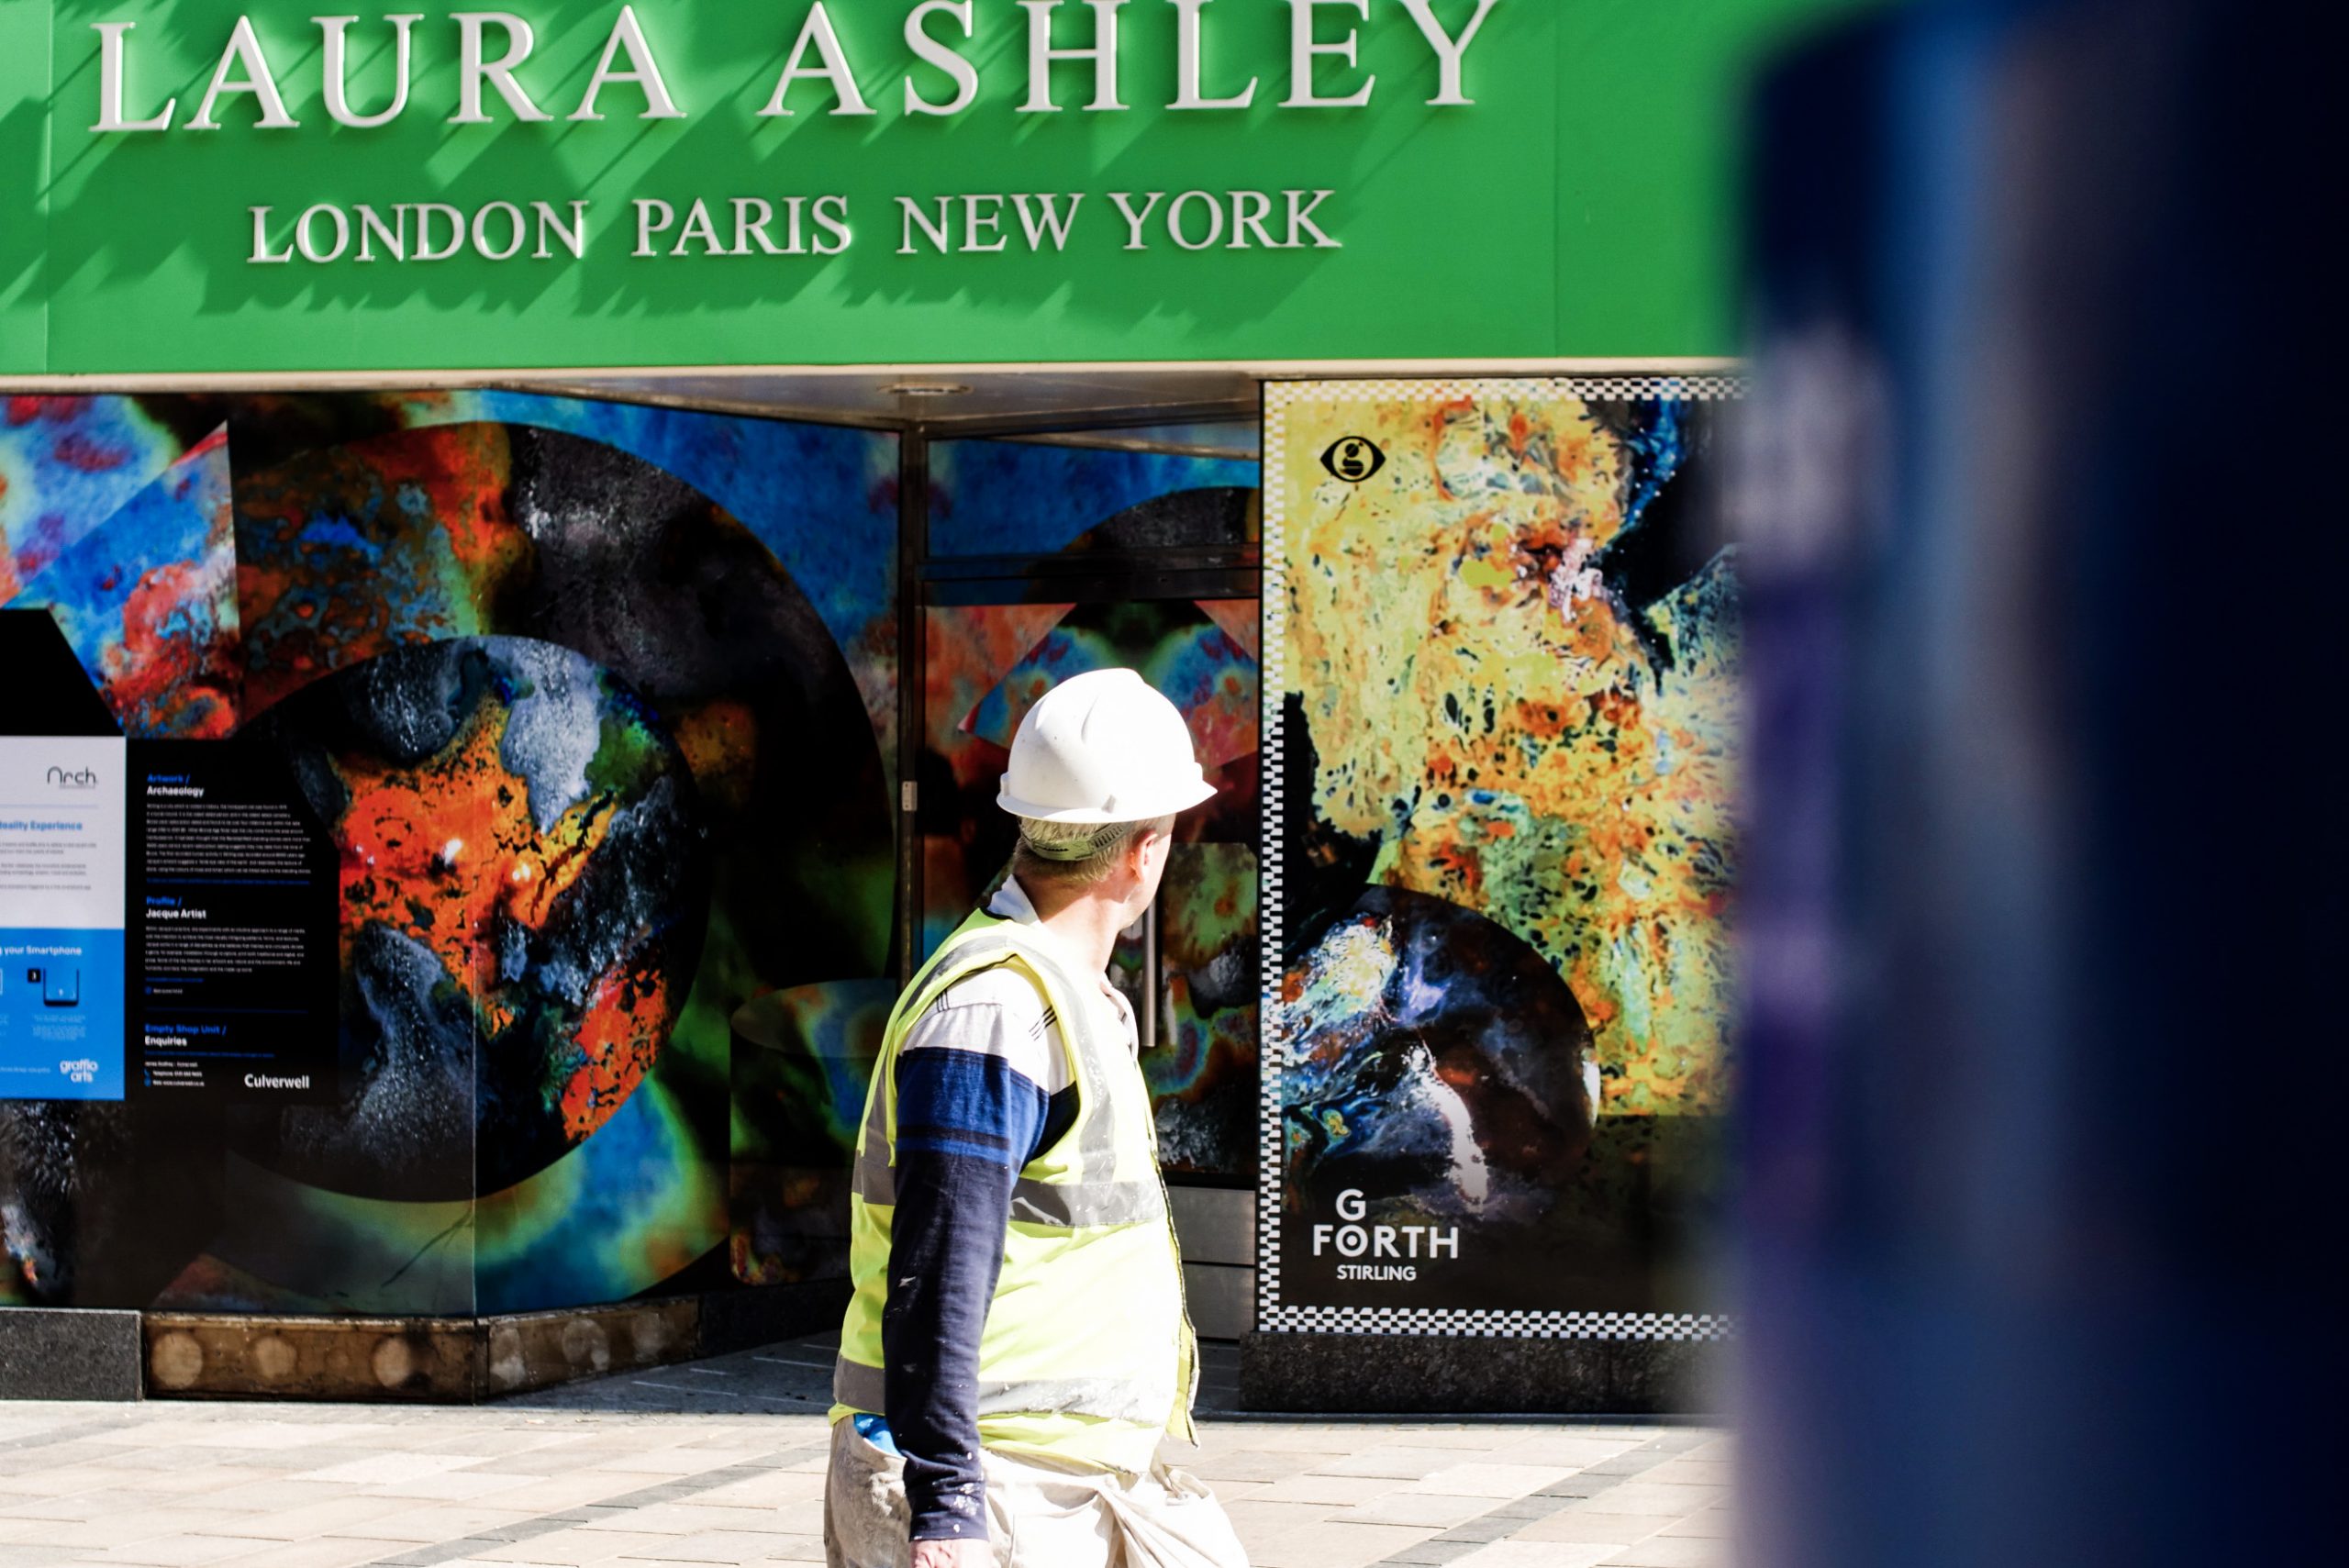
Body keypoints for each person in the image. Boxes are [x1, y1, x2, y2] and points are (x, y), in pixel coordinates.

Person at [824, 668, 1251, 1568]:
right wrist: (945, 1508)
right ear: (1144, 852)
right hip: (998, 1482)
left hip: (1080, 1474)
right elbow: (937, 1266)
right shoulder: (996, 1009)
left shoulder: (1059, 993)